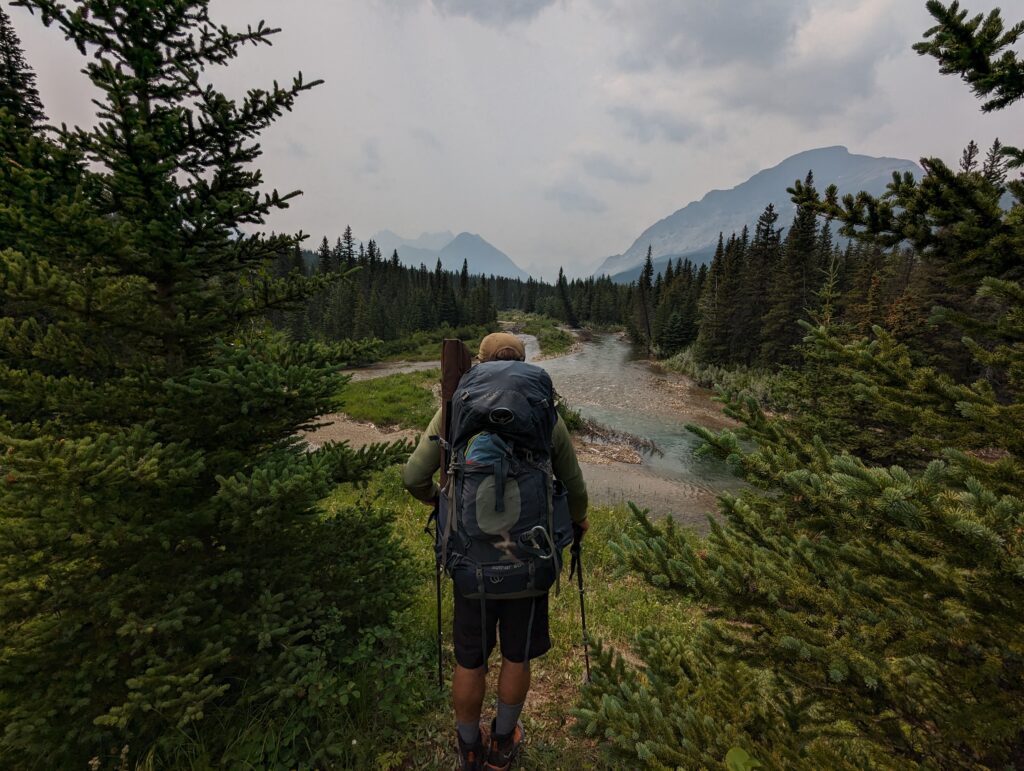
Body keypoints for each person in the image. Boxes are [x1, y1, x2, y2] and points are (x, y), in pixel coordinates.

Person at [403, 331, 589, 771]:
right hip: (529, 560)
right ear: (523, 364)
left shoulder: (454, 409)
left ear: (480, 364)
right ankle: (503, 743)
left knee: (470, 660)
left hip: (470, 562)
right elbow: (574, 486)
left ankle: (469, 747)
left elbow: (412, 477)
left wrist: (439, 501)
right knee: (515, 655)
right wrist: (579, 521)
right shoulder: (545, 414)